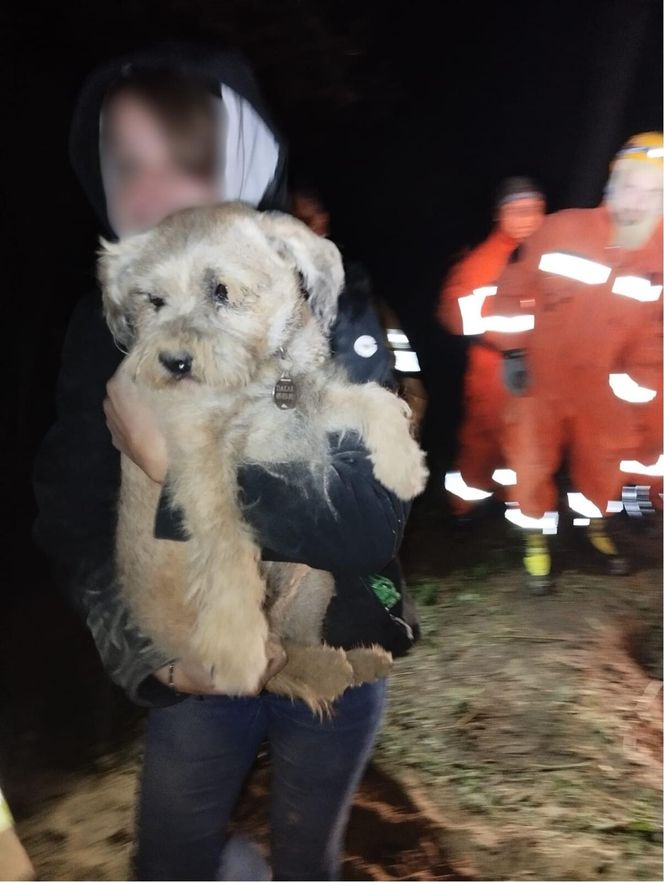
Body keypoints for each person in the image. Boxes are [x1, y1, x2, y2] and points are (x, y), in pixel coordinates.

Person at [33, 43, 419, 881]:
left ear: (249, 155)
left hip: (336, 646)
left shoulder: (329, 299)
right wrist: (144, 656)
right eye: (124, 162)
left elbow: (368, 520)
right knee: (172, 859)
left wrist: (171, 459)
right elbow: (69, 512)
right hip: (199, 668)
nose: (151, 188)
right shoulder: (102, 330)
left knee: (309, 856)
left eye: (186, 157)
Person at [484, 133, 663, 592]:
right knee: (529, 466)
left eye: (654, 190)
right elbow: (509, 291)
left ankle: (593, 531)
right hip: (541, 380)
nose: (638, 200)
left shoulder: (659, 255)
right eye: (631, 185)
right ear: (612, 184)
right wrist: (514, 350)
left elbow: (653, 330)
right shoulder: (562, 229)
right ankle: (537, 545)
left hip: (604, 385)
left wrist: (641, 387)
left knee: (603, 468)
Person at [437, 177, 546, 516]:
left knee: (526, 442)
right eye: (518, 210)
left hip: (539, 369)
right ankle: (463, 509)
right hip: (492, 369)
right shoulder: (481, 263)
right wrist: (500, 334)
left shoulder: (549, 257)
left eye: (534, 210)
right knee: (482, 442)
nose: (527, 218)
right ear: (501, 215)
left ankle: (516, 506)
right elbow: (451, 316)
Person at [291, 181, 428, 434]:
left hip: (374, 411)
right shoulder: (273, 283)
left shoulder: (353, 274)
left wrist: (411, 379)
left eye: (319, 214)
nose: (317, 224)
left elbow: (390, 326)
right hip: (314, 423)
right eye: (305, 219)